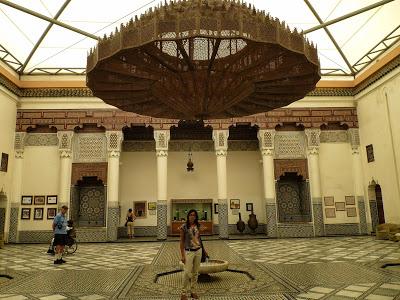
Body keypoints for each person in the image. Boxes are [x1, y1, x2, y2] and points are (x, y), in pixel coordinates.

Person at [179, 209, 208, 300]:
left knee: (195, 273)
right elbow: (181, 241)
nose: (192, 216)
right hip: (189, 251)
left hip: (198, 251)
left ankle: (193, 291)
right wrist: (183, 255)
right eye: (191, 215)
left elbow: (200, 238)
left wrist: (204, 250)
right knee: (187, 273)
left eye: (194, 215)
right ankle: (183, 293)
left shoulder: (198, 226)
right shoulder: (184, 227)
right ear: (188, 216)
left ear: (196, 217)